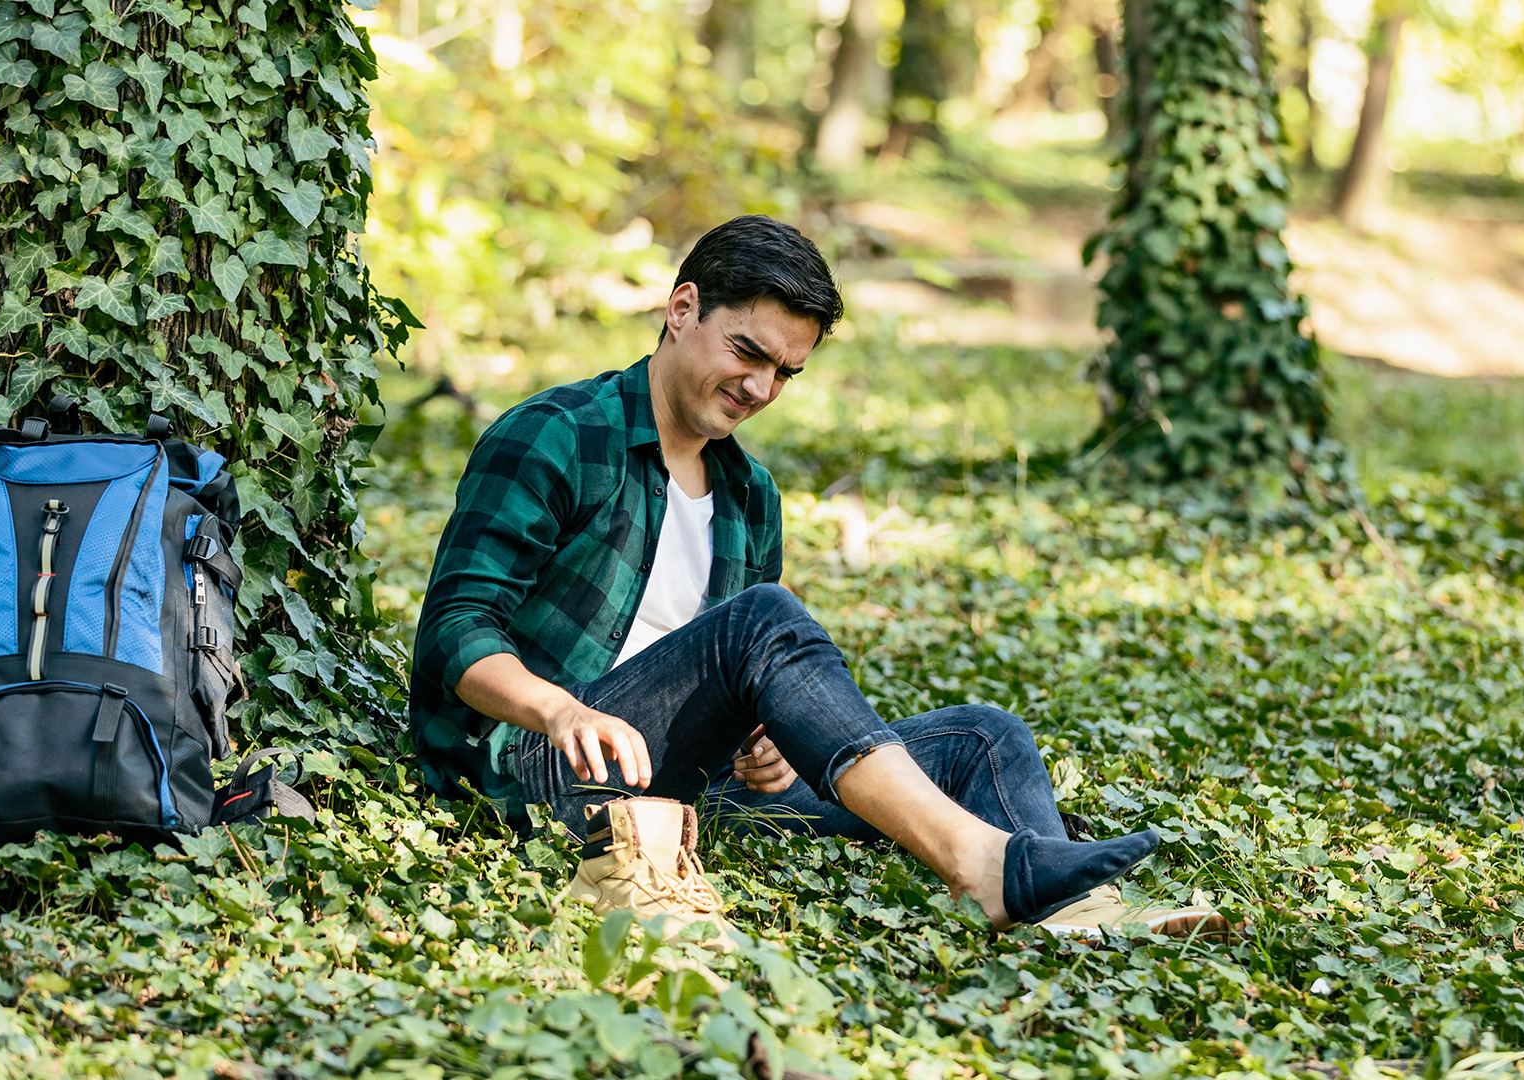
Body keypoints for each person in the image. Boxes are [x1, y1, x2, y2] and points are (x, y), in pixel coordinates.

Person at [410, 215, 1227, 941]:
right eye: (747, 352)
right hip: (536, 765)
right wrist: (558, 709)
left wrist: (770, 750)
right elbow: (456, 628)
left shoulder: (748, 496)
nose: (761, 389)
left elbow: (732, 675)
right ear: (682, 307)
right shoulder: (556, 436)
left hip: (691, 788)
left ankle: (1072, 912)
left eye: (785, 373)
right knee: (765, 616)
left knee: (985, 736)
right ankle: (979, 863)